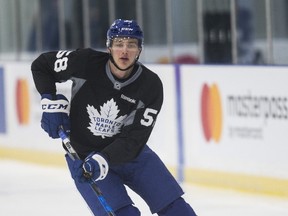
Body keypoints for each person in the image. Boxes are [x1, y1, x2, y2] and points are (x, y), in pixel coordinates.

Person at [31, 19, 197, 216]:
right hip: (85, 159)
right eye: (119, 44)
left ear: (140, 50)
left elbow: (135, 138)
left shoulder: (150, 85)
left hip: (132, 156)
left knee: (178, 211)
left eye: (131, 45)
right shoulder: (85, 62)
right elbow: (42, 65)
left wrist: (104, 158)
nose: (124, 51)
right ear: (108, 47)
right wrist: (49, 102)